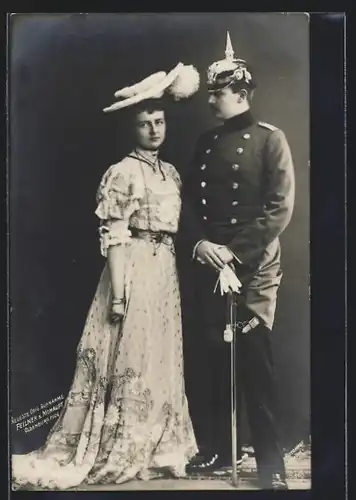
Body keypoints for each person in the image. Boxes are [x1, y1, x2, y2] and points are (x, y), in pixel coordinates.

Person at [11, 62, 201, 490]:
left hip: (163, 269)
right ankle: (121, 445)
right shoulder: (123, 172)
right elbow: (114, 235)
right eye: (144, 123)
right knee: (125, 356)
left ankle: (158, 449)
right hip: (131, 267)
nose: (154, 129)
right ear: (131, 129)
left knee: (158, 356)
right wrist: (118, 295)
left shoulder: (167, 172)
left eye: (159, 121)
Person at [178, 33, 295, 490]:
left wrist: (236, 253)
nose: (211, 101)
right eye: (209, 92)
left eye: (218, 93)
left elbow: (279, 208)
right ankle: (216, 450)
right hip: (210, 262)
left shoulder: (271, 141)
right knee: (212, 360)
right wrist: (202, 245)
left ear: (241, 94)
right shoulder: (206, 143)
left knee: (255, 364)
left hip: (253, 265)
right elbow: (186, 201)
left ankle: (271, 465)